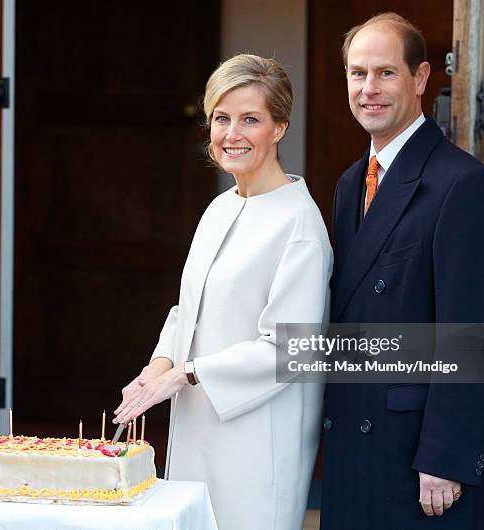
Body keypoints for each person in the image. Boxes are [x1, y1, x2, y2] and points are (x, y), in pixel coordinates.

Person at [113, 54, 332, 530]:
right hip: (196, 425)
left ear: (279, 127)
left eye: (250, 119)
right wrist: (158, 368)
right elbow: (188, 309)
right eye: (221, 118)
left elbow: (291, 352)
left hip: (257, 441)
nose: (232, 133)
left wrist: (187, 374)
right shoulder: (219, 207)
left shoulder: (299, 225)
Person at [319, 12, 484, 530]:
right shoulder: (348, 186)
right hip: (355, 450)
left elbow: (476, 338)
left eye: (386, 72)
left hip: (423, 465)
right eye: (357, 74)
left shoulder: (462, 186)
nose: (369, 89)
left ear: (422, 78)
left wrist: (446, 458)